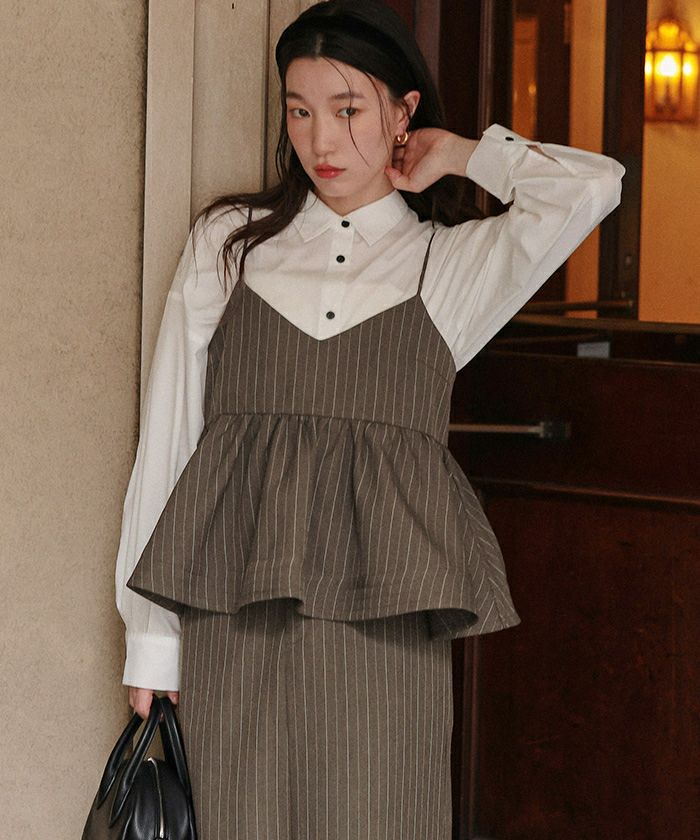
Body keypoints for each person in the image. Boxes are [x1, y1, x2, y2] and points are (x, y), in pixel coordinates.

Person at [114, 0, 625, 837]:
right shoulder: (231, 244)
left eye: (349, 109)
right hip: (232, 623)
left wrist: (458, 154)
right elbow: (168, 442)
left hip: (385, 634)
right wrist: (151, 642)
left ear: (402, 111)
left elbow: (593, 187)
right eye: (300, 111)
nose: (321, 141)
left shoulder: (446, 264)